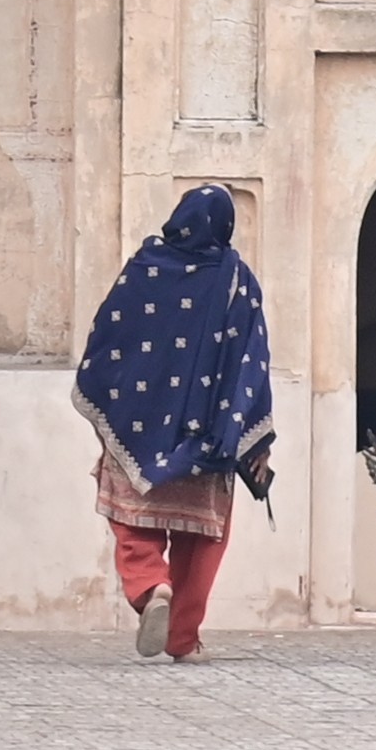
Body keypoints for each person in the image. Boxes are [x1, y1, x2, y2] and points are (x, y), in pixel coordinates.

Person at [74, 183, 276, 662]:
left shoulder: (144, 271)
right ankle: (183, 638)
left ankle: (150, 588)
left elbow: (107, 340)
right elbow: (252, 361)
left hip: (137, 432)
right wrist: (252, 435)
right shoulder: (236, 280)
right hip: (208, 436)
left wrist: (116, 411)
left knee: (132, 523)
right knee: (201, 539)